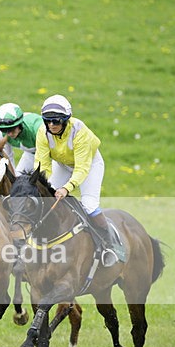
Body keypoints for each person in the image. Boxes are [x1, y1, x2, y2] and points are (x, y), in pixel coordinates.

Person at [34, 94, 123, 266]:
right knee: (45, 199)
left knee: (89, 205)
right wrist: (40, 186)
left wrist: (66, 188)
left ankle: (109, 245)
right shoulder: (42, 132)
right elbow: (42, 164)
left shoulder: (80, 131)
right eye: (47, 121)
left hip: (89, 165)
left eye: (56, 121)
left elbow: (82, 168)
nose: (51, 125)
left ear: (66, 120)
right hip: (63, 164)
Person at [0, 103, 43, 174]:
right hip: (31, 154)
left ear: (20, 124)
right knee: (18, 178)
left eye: (12, 129)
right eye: (4, 130)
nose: (9, 134)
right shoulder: (1, 134)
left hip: (53, 155)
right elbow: (8, 157)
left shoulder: (37, 129)